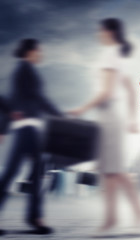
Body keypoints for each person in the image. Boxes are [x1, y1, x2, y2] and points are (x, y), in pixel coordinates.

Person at [68, 18, 140, 236]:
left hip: (108, 115)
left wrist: (82, 109)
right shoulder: (119, 55)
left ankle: (125, 215)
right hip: (113, 116)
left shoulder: (110, 54)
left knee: (114, 170)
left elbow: (107, 92)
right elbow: (130, 91)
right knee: (110, 171)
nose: (98, 33)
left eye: (100, 30)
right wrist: (132, 119)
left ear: (109, 31)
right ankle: (115, 217)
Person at [0, 39, 63, 235]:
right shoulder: (24, 70)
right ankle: (35, 218)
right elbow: (36, 98)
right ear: (30, 51)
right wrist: (60, 115)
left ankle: (35, 218)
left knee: (26, 173)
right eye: (39, 51)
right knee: (23, 173)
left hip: (29, 128)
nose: (41, 54)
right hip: (28, 128)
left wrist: (3, 127)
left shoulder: (21, 71)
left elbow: (13, 100)